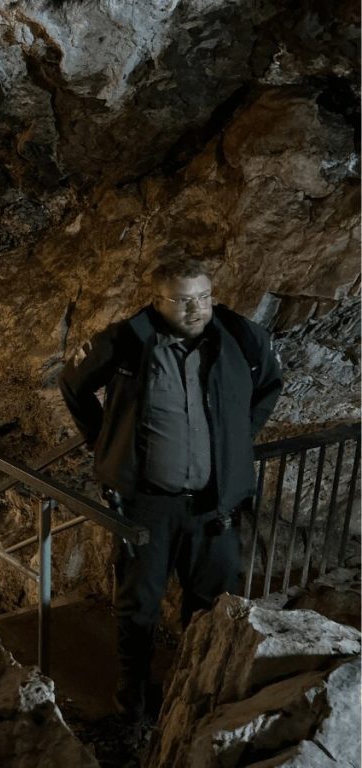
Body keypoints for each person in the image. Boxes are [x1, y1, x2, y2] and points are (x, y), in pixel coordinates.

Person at [58, 257, 283, 724]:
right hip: (147, 507)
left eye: (204, 296)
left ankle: (195, 689)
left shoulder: (242, 339)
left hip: (214, 507)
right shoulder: (127, 341)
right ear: (158, 300)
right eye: (183, 300)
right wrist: (106, 444)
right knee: (138, 605)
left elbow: (270, 385)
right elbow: (74, 384)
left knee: (210, 605)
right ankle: (133, 696)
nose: (196, 308)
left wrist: (240, 436)